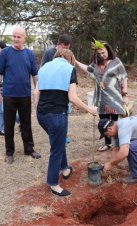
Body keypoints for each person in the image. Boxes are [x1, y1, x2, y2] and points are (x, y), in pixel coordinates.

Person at [34, 49, 97, 196]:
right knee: (56, 149)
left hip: (41, 114)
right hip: (57, 115)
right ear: (71, 59)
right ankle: (53, 184)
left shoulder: (43, 68)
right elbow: (73, 98)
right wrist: (89, 109)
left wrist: (38, 111)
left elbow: (36, 92)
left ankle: (65, 168)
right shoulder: (69, 69)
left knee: (58, 141)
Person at [0, 27, 41, 164]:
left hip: (25, 95)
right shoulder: (5, 53)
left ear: (24, 38)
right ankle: (9, 152)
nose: (15, 39)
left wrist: (37, 90)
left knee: (26, 123)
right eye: (13, 36)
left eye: (18, 37)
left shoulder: (29, 54)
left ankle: (29, 149)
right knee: (9, 125)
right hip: (9, 96)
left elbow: (35, 74)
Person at [75, 39, 129, 152]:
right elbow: (88, 69)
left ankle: (117, 144)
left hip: (114, 98)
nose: (101, 55)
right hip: (101, 100)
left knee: (115, 122)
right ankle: (107, 143)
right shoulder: (95, 63)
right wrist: (75, 61)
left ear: (108, 50)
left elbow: (124, 78)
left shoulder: (116, 61)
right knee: (103, 122)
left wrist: (125, 94)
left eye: (103, 52)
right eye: (99, 53)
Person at [41, 34, 72, 144]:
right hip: (52, 89)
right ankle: (56, 134)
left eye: (68, 48)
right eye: (64, 48)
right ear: (58, 45)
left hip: (64, 88)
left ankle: (64, 135)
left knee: (65, 112)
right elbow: (42, 69)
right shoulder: (49, 54)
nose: (66, 50)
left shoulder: (68, 55)